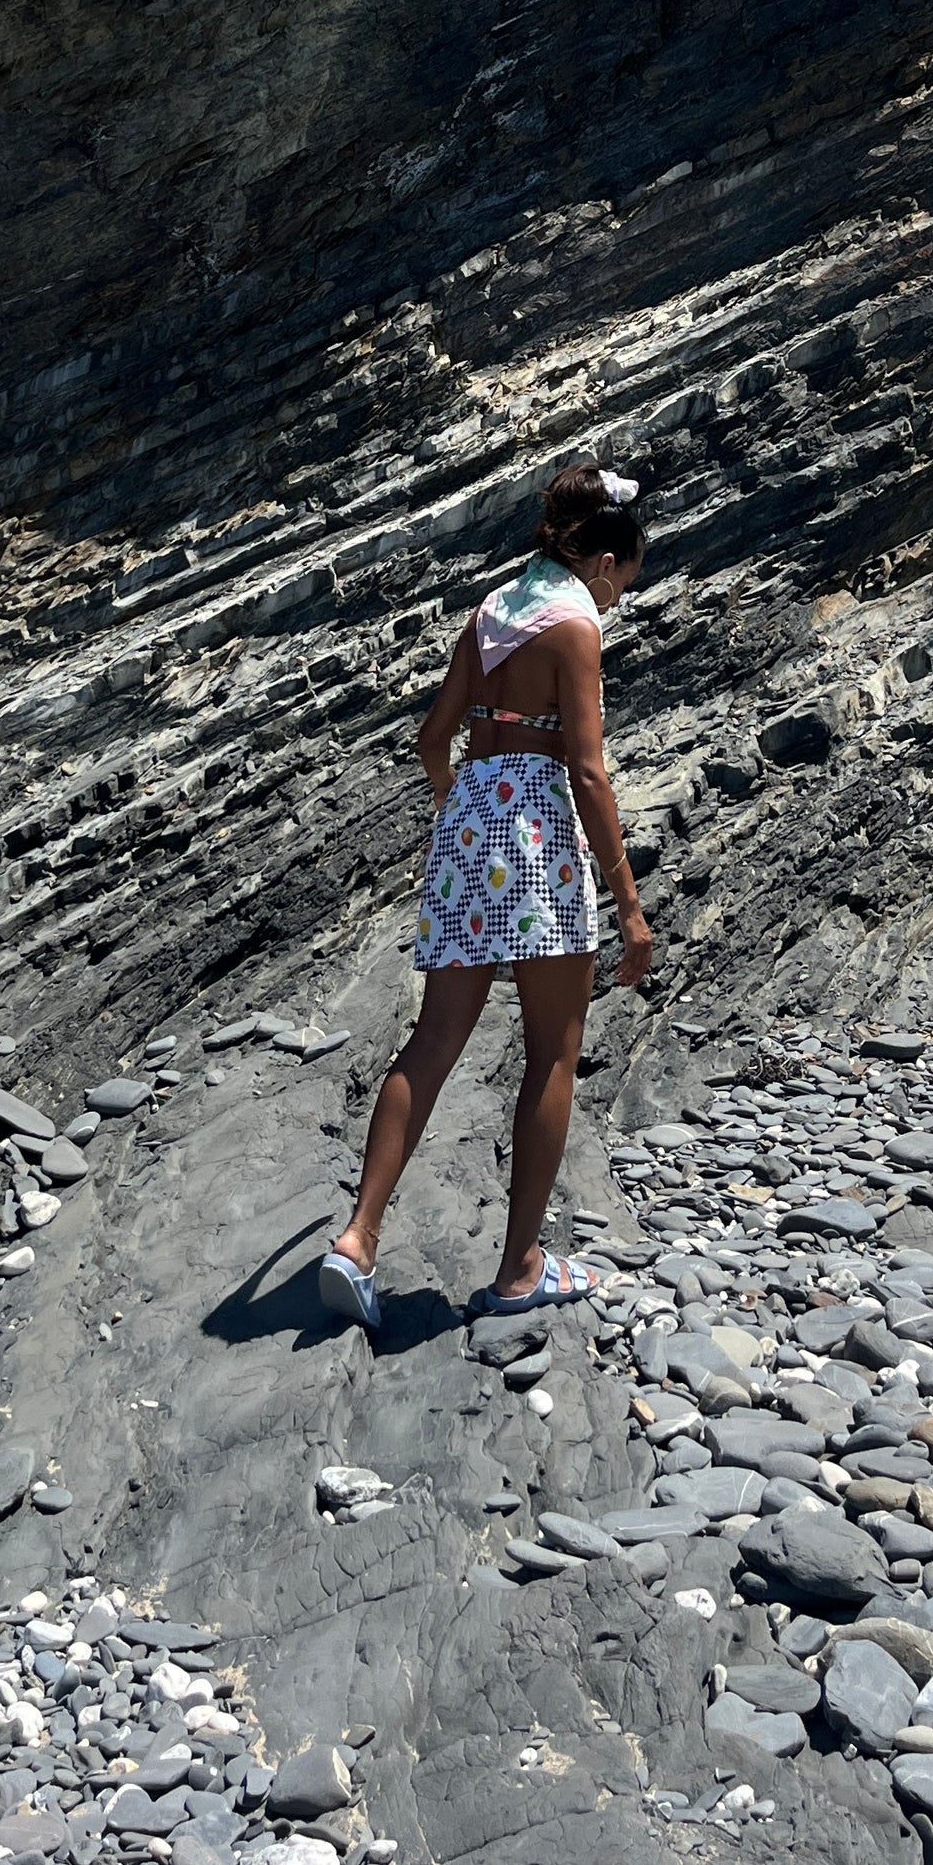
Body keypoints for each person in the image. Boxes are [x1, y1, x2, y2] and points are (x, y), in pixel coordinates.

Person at [319, 461, 654, 1333]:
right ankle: (519, 1269)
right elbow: (586, 769)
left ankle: (357, 1239)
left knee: (432, 1040)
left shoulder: (492, 612)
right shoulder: (574, 626)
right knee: (550, 1051)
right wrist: (627, 901)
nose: (619, 599)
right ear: (608, 562)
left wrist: (462, 808)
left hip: (470, 824)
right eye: (628, 580)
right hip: (540, 834)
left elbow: (437, 740)